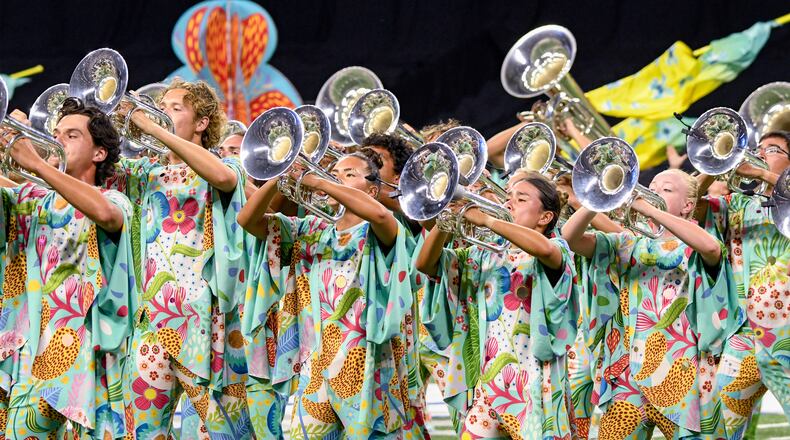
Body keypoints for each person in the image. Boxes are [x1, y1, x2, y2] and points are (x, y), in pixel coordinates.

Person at [106, 78, 251, 437]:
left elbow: (221, 178)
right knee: (142, 430)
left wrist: (153, 127)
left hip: (204, 321)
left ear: (201, 123)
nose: (163, 112)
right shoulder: (144, 172)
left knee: (219, 431)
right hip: (151, 320)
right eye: (162, 106)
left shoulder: (228, 166)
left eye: (175, 108)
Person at [238, 149, 418, 438]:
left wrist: (320, 182)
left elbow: (380, 213)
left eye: (349, 174)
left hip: (368, 368)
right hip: (316, 367)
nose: (337, 179)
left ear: (373, 189)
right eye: (335, 174)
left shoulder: (383, 228)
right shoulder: (310, 229)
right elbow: (247, 220)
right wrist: (281, 176)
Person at [562, 168, 739, 439]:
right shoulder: (628, 243)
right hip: (626, 377)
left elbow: (713, 249)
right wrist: (594, 200)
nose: (654, 192)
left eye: (666, 190)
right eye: (652, 186)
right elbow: (570, 238)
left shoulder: (694, 244)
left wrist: (650, 209)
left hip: (682, 376)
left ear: (688, 205)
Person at [0, 98, 133, 438]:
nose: (57, 140)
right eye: (55, 133)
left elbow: (105, 215)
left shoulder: (115, 200)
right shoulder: (31, 199)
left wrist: (36, 163)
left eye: (71, 135)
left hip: (92, 361)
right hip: (31, 358)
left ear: (99, 153)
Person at [416, 170, 579, 439]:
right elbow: (426, 264)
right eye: (508, 197)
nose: (509, 203)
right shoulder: (484, 253)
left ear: (545, 217)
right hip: (489, 386)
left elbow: (545, 251)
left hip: (537, 387)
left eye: (521, 199)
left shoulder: (556, 246)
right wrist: (446, 220)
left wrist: (488, 219)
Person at [697, 130, 790, 438]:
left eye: (773, 149)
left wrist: (762, 173)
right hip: (744, 337)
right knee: (720, 428)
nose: (761, 153)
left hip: (786, 336)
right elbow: (690, 204)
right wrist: (712, 165)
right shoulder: (737, 205)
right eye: (758, 148)